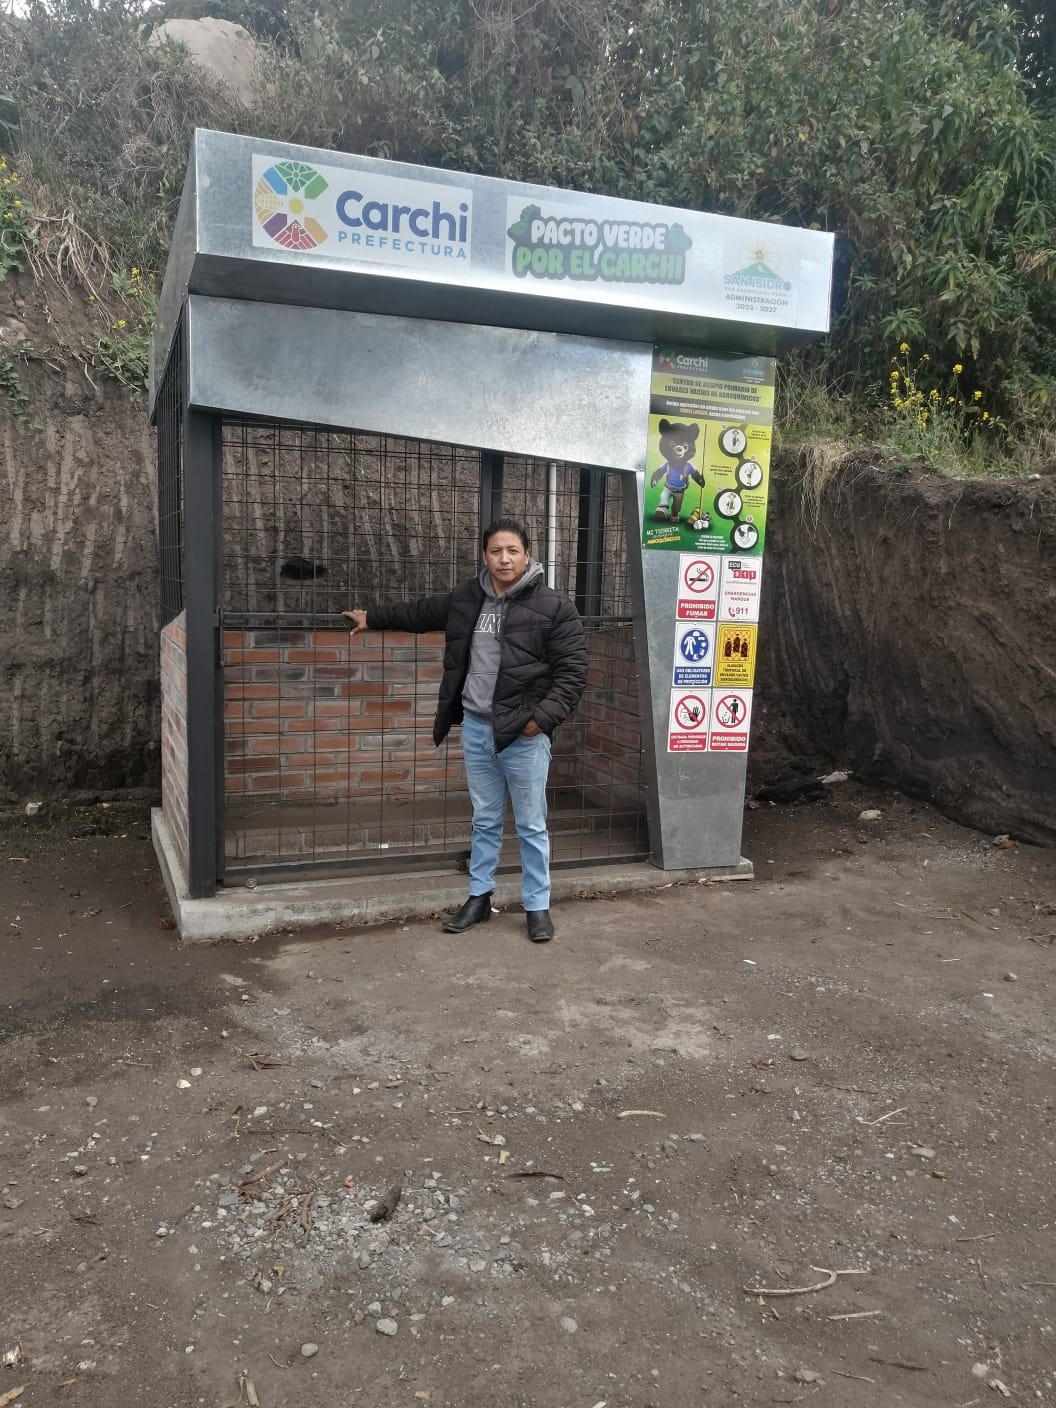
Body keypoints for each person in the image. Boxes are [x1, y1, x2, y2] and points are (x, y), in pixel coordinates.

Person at [343, 518, 587, 942]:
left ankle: (537, 906)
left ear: (527, 555)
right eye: (496, 551)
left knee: (531, 825)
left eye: (512, 551)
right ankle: (479, 896)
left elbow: (573, 673)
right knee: (485, 818)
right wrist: (372, 618)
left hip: (523, 735)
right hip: (476, 729)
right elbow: (420, 612)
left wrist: (539, 721)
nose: (504, 559)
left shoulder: (554, 607)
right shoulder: (467, 598)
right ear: (485, 557)